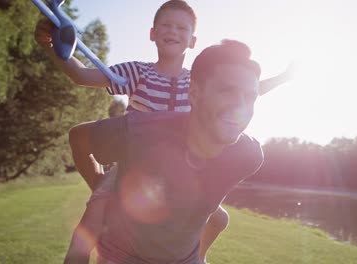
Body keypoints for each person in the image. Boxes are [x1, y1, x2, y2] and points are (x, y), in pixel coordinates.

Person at [34, 1, 291, 262]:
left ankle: (198, 256)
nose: (173, 31)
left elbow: (243, 91)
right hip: (132, 164)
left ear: (192, 40)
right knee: (93, 220)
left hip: (178, 168)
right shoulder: (136, 72)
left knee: (219, 219)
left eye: (182, 28)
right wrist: (51, 46)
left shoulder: (199, 80)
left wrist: (281, 79)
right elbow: (81, 75)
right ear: (152, 34)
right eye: (166, 25)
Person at [67, 39, 264, 264]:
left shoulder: (247, 156)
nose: (240, 107)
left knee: (220, 219)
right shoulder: (140, 131)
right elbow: (78, 139)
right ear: (194, 93)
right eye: (227, 91)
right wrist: (100, 185)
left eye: (250, 97)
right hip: (123, 257)